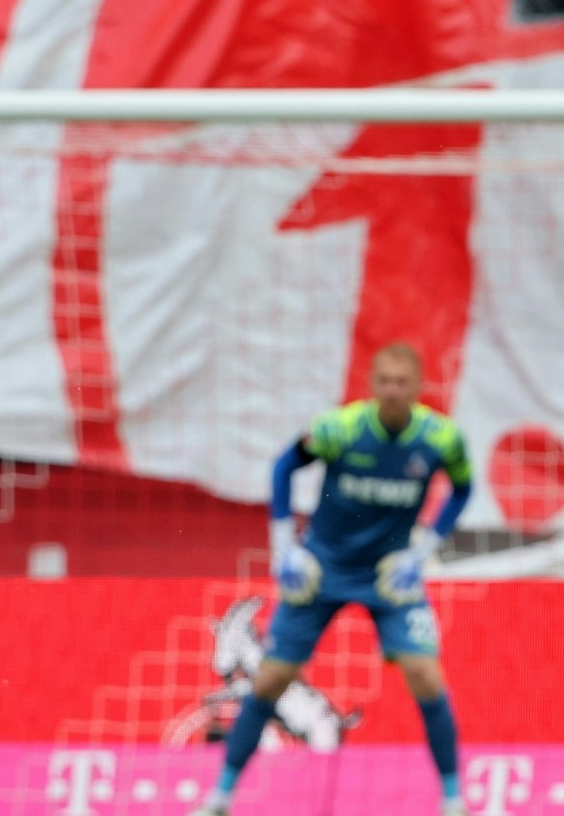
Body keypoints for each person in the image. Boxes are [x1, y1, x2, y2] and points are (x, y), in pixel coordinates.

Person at [192, 344, 473, 816]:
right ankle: (219, 796)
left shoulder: (441, 440)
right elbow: (285, 466)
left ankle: (453, 799)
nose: (392, 392)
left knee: (426, 675)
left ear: (418, 388)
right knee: (270, 680)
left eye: (401, 383)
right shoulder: (338, 429)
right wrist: (286, 547)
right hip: (324, 570)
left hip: (389, 575)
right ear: (372, 385)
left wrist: (422, 550)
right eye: (383, 382)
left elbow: (463, 488)